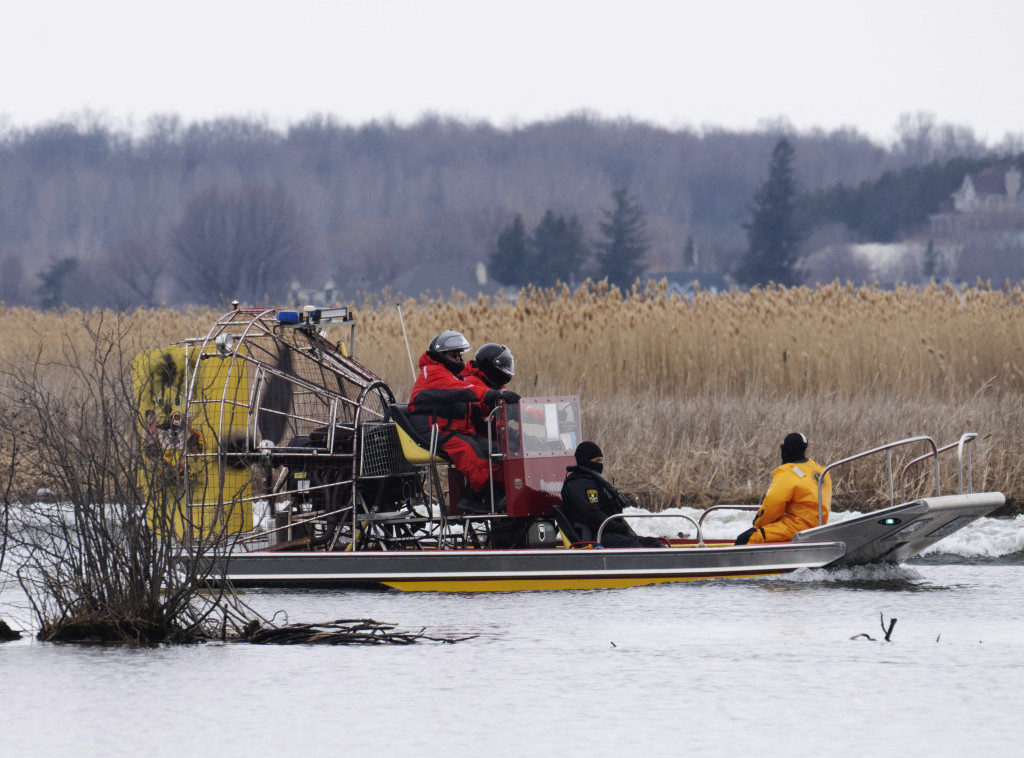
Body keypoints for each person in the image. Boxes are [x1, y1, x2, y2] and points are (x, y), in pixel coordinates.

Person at [408, 330, 519, 510]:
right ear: (441, 355)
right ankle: (489, 496)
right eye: (454, 355)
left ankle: (479, 496)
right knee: (468, 450)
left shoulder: (451, 373)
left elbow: (469, 394)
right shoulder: (433, 373)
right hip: (434, 432)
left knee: (494, 450)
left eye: (460, 355)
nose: (459, 359)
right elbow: (463, 389)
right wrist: (491, 394)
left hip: (453, 431)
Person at [560, 441, 662, 548]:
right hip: (593, 535)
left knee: (653, 543)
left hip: (607, 531)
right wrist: (617, 527)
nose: (600, 464)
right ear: (585, 461)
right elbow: (592, 515)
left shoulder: (594, 481)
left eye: (601, 461)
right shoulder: (578, 484)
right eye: (597, 461)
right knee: (631, 545)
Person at [735, 432, 832, 545]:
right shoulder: (820, 470)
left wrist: (757, 525)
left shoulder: (787, 473)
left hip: (797, 529)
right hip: (818, 529)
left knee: (745, 539)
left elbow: (772, 505)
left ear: (786, 450)